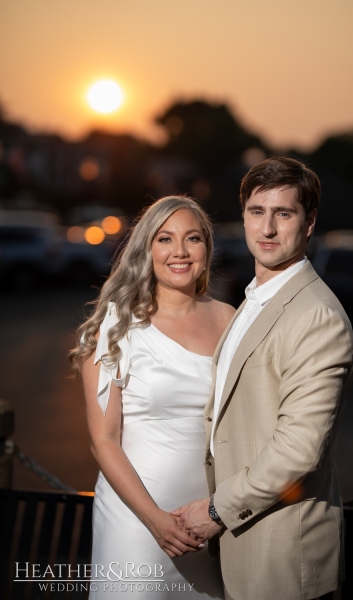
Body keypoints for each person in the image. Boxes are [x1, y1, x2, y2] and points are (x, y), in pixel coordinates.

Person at [172, 158, 353, 600]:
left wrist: (216, 510)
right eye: (257, 212)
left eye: (284, 213)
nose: (268, 228)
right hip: (245, 543)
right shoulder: (253, 298)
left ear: (309, 223)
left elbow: (299, 447)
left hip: (282, 553)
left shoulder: (317, 317)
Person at [69, 196, 235, 599]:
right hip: (138, 521)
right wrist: (155, 520)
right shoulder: (114, 327)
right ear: (147, 248)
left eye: (192, 238)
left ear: (206, 249)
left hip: (211, 523)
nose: (179, 251)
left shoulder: (232, 318)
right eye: (165, 239)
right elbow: (103, 441)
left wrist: (222, 510)